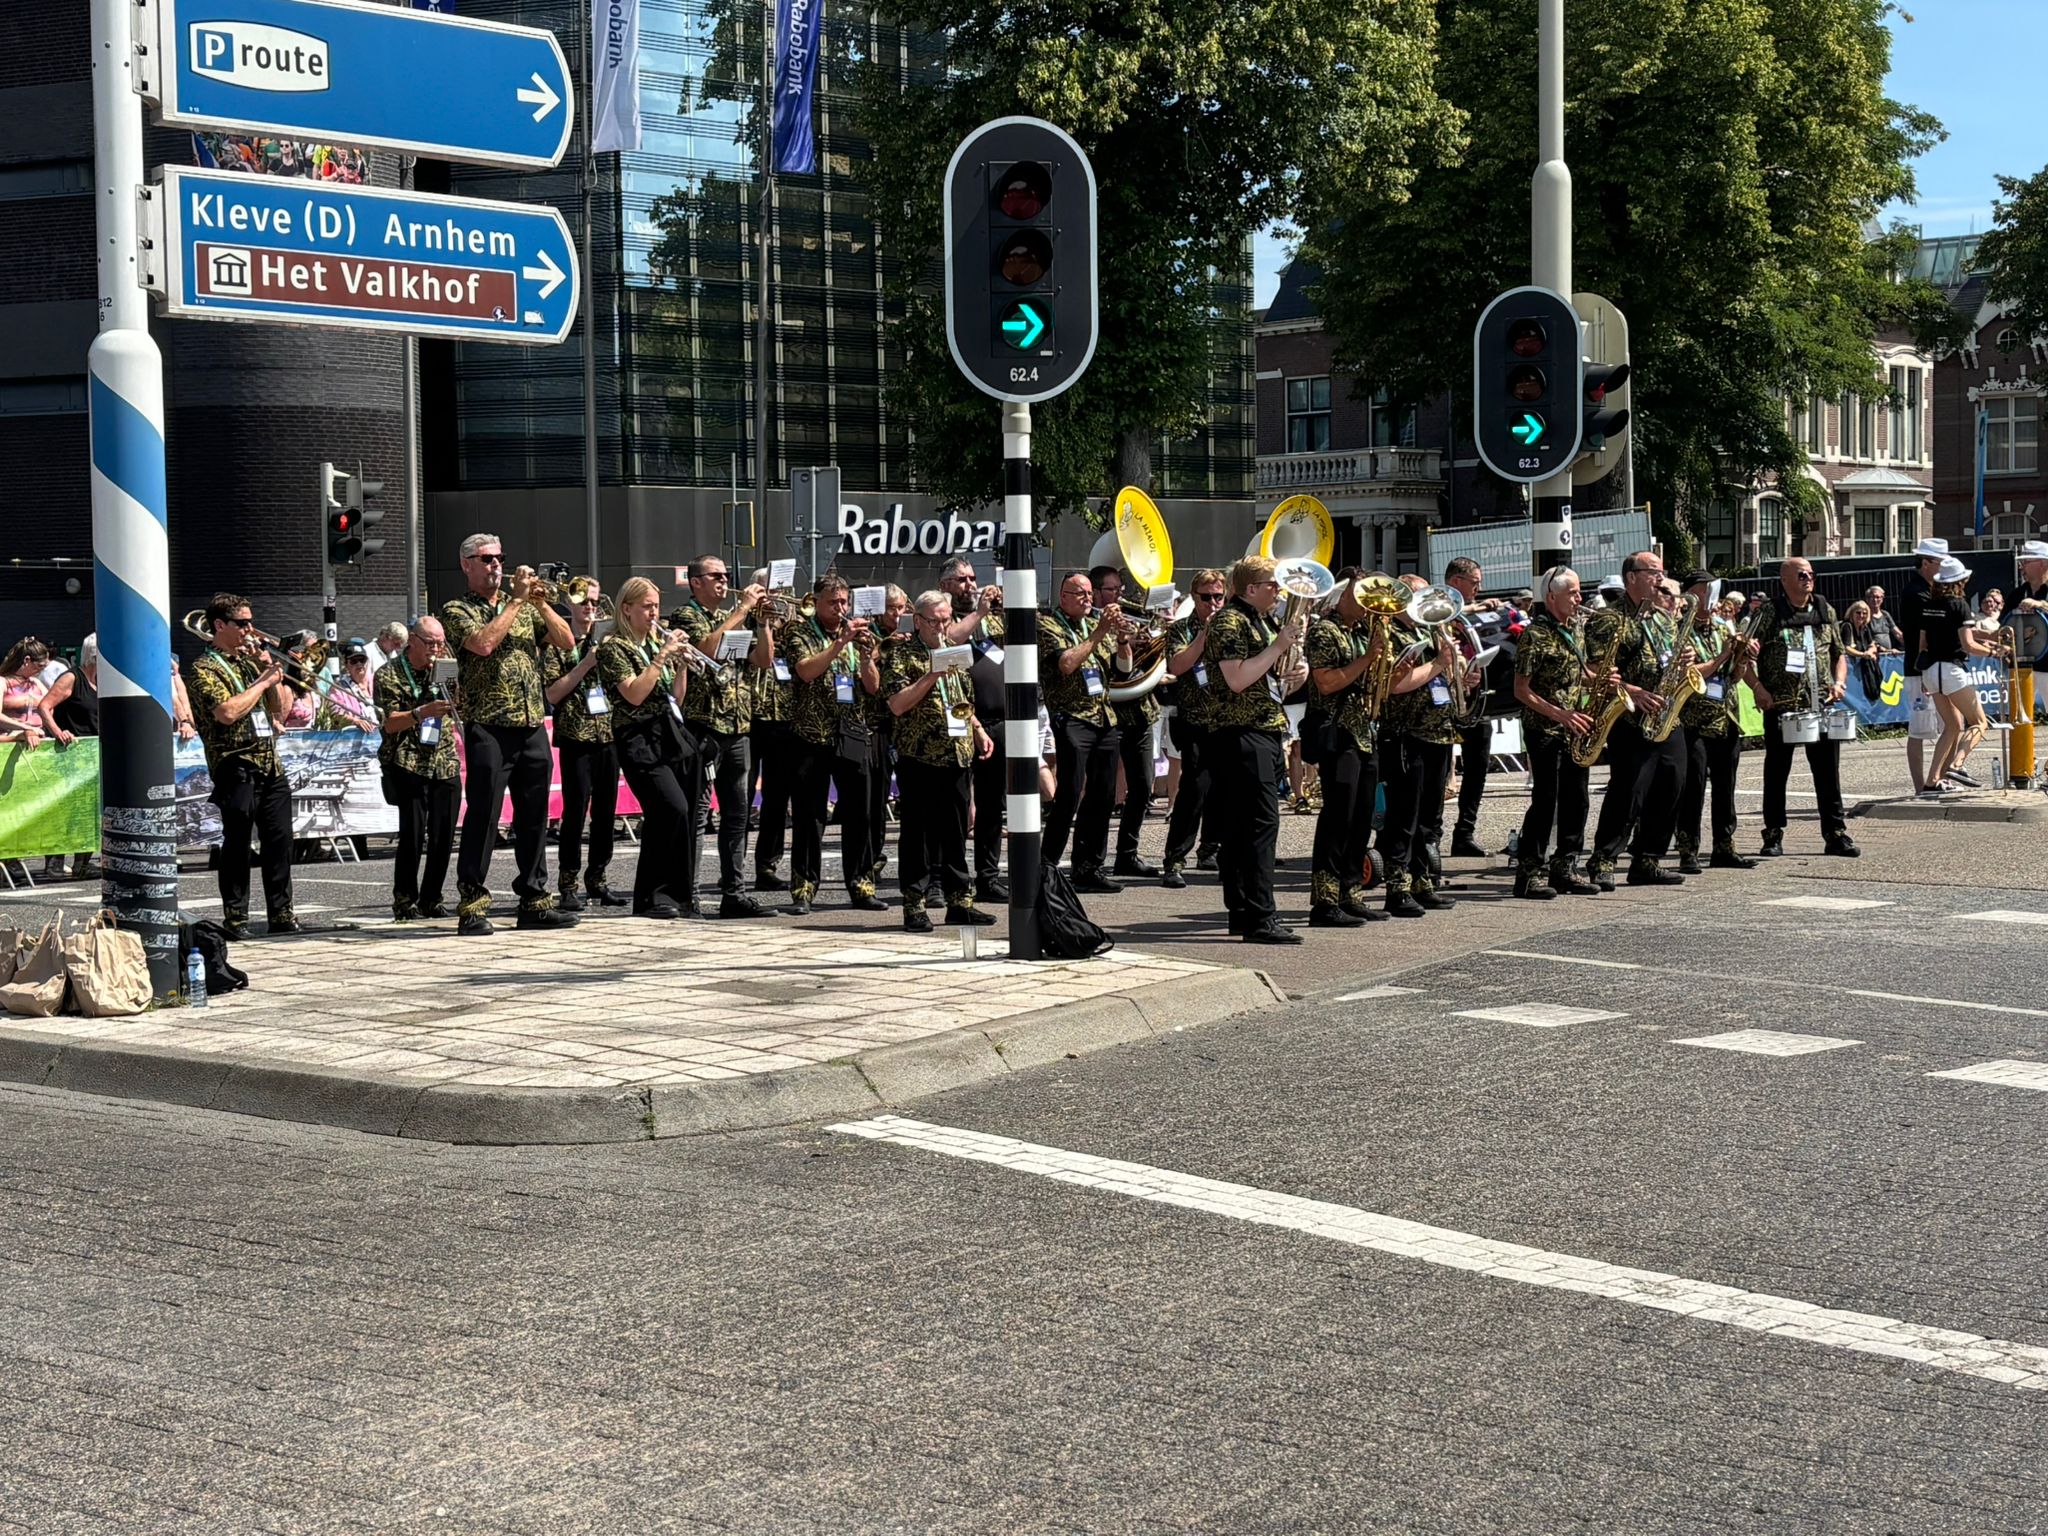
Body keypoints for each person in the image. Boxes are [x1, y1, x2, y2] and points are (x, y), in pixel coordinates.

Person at [441, 534, 580, 936]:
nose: (496, 565)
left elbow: (566, 641)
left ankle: (534, 900)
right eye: (486, 559)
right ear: (466, 564)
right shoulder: (457, 609)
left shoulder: (523, 606)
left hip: (531, 722)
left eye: (500, 558)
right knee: (484, 816)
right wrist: (517, 602)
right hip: (489, 725)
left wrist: (539, 602)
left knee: (535, 816)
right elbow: (483, 644)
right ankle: (472, 904)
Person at [1202, 556, 1306, 943]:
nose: (1278, 591)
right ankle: (1260, 915)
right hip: (1241, 732)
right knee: (1260, 825)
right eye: (1271, 585)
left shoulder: (1261, 620)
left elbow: (1269, 678)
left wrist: (1295, 671)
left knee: (1244, 826)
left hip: (1262, 727)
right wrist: (1278, 646)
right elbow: (1236, 679)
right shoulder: (1230, 621)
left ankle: (1244, 912)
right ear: (1250, 589)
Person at [884, 591, 998, 931]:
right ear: (918, 620)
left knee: (956, 831)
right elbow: (897, 704)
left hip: (956, 753)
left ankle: (960, 902)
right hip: (919, 755)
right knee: (917, 834)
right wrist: (932, 674)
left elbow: (961, 697)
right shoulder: (902, 654)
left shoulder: (955, 649)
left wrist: (977, 729)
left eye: (946, 620)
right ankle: (914, 904)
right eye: (934, 621)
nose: (941, 627)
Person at [187, 592, 299, 937]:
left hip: (269, 762)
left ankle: (281, 914)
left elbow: (278, 709)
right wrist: (262, 681)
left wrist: (268, 672)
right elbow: (226, 712)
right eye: (242, 623)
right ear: (220, 625)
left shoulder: (249, 662)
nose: (250, 630)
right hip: (235, 764)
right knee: (237, 844)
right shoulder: (203, 668)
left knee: (280, 840)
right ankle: (236, 917)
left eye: (251, 622)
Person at [671, 555, 775, 918]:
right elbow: (705, 649)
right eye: (716, 576)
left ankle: (735, 893)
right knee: (698, 814)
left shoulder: (735, 617)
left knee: (737, 815)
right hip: (703, 726)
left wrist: (762, 622)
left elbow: (763, 660)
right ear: (696, 581)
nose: (724, 581)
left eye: (726, 575)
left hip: (738, 726)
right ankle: (689, 894)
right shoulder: (686, 616)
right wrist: (742, 609)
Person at [1584, 551, 1693, 890]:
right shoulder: (1609, 619)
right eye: (1653, 572)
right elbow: (1594, 671)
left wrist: (1685, 660)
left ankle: (1648, 859)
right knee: (1628, 791)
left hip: (1665, 715)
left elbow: (1670, 661)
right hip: (1629, 717)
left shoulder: (1662, 618)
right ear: (1632, 577)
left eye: (1662, 572)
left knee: (1672, 785)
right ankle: (1603, 858)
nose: (1660, 578)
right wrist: (1634, 692)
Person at [597, 577, 701, 918]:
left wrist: (681, 664)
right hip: (637, 737)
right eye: (647, 606)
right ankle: (656, 894)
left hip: (668, 733)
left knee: (678, 812)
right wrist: (661, 657)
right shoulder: (614, 647)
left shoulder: (654, 644)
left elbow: (675, 699)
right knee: (671, 808)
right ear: (626, 609)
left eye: (656, 605)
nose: (654, 612)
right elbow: (634, 694)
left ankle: (672, 897)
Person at [782, 575, 886, 915]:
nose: (840, 609)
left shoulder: (859, 635)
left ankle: (861, 884)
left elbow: (873, 687)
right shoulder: (799, 632)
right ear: (816, 602)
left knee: (860, 812)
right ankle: (804, 888)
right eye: (833, 602)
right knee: (810, 815)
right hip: (811, 735)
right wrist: (840, 643)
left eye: (843, 602)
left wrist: (867, 656)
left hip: (851, 732)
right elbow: (805, 671)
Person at [1376, 575, 1474, 917]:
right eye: (1418, 596)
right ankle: (1397, 887)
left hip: (1438, 733)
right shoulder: (1392, 634)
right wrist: (1439, 664)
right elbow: (1397, 685)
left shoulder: (1430, 632)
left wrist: (1462, 675)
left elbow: (1442, 679)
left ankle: (1422, 882)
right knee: (1404, 816)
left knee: (1428, 818)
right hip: (1408, 733)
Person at [1750, 556, 1858, 857]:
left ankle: (1835, 833)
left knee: (1827, 772)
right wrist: (1758, 689)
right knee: (1777, 771)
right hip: (1782, 705)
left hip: (1820, 704)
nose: (1807, 579)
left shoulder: (1825, 609)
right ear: (1784, 580)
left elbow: (1838, 653)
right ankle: (1773, 833)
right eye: (1801, 575)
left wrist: (1839, 682)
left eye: (1810, 574)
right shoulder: (1769, 612)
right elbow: (1744, 656)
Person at [1512, 566, 1606, 897]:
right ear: (1552, 597)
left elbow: (1574, 674)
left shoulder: (1575, 628)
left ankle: (1565, 866)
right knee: (1546, 800)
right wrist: (1560, 714)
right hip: (1544, 728)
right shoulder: (1535, 635)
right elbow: (1521, 689)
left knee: (1577, 799)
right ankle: (1528, 872)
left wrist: (1600, 680)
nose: (1580, 599)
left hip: (1574, 728)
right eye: (1573, 593)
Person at [1039, 570, 1133, 892]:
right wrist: (1100, 631)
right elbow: (1066, 664)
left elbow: (1123, 671)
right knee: (1069, 793)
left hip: (1103, 717)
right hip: (1072, 717)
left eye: (1090, 593)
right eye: (1080, 593)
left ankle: (1089, 866)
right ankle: (1047, 865)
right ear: (1063, 596)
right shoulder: (1048, 625)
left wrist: (1122, 639)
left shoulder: (1095, 625)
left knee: (1103, 795)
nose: (1087, 599)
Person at [1303, 574, 1389, 926]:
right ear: (1342, 596)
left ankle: (1350, 892)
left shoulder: (1362, 630)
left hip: (1363, 731)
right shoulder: (1325, 631)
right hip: (1338, 731)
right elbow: (1325, 682)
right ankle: (1324, 900)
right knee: (1338, 816)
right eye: (1362, 594)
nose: (1369, 603)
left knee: (1362, 815)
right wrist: (1369, 657)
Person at [541, 576, 626, 912]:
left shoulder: (608, 640)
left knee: (606, 813)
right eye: (583, 601)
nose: (590, 607)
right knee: (575, 813)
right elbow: (552, 693)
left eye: (594, 601)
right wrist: (585, 663)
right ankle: (568, 883)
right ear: (570, 604)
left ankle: (598, 878)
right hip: (577, 737)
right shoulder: (558, 643)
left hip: (608, 734)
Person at [373, 618, 458, 920]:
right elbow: (389, 722)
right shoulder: (389, 674)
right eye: (430, 643)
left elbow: (461, 704)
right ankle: (405, 899)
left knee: (443, 835)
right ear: (413, 640)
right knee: (412, 835)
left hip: (444, 759)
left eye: (440, 643)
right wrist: (420, 712)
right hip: (408, 760)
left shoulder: (447, 668)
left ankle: (432, 898)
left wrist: (452, 686)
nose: (436, 649)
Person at [1672, 572, 1757, 874]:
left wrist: (1742, 658)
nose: (1708, 600)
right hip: (1693, 719)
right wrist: (1722, 657)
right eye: (1701, 593)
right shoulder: (1679, 630)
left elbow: (1732, 676)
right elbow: (1690, 673)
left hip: (1724, 717)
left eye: (1710, 592)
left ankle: (1724, 844)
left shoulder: (1721, 628)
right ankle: (1688, 848)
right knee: (1693, 786)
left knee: (1725, 785)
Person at [940, 555, 1009, 902]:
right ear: (946, 585)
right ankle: (947, 879)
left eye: (972, 578)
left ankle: (988, 876)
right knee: (954, 805)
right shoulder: (941, 615)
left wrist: (1006, 607)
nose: (970, 584)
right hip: (960, 719)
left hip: (997, 722)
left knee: (992, 805)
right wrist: (979, 613)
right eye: (962, 580)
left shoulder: (990, 619)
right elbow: (949, 640)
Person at [1090, 564, 1163, 877]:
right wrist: (1125, 644)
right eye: (1112, 590)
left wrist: (1147, 643)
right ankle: (1092, 859)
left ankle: (1127, 854)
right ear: (1096, 592)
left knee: (1143, 787)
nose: (1119, 595)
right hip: (1108, 714)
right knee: (1104, 791)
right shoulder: (1089, 622)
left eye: (1120, 588)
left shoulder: (1132, 618)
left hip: (1140, 710)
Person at [1159, 571, 1227, 888]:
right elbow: (1177, 665)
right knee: (1194, 788)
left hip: (1225, 718)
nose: (1213, 603)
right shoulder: (1180, 629)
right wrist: (1204, 635)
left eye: (1218, 597)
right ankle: (1174, 859)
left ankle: (1211, 848)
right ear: (1194, 597)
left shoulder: (1231, 626)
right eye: (1206, 597)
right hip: (1194, 719)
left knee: (1222, 788)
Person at [1918, 556, 2001, 794]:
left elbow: (1923, 643)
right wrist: (1993, 652)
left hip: (1930, 670)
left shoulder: (1929, 605)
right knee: (1979, 722)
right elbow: (1968, 645)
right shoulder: (1959, 605)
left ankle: (1931, 782)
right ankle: (1957, 764)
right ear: (1960, 581)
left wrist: (1924, 677)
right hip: (1951, 669)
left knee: (1953, 726)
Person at [1443, 556, 1502, 857]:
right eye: (1474, 583)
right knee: (1439, 772)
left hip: (1475, 701)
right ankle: (1430, 836)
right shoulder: (1437, 605)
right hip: (1442, 705)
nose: (1478, 589)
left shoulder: (1473, 614)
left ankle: (1464, 833)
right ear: (1456, 581)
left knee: (1477, 769)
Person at [747, 566, 799, 894]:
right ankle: (732, 867)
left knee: (777, 798)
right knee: (741, 797)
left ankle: (767, 865)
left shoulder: (793, 625)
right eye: (771, 590)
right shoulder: (744, 620)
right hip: (750, 717)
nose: (777, 596)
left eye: (781, 590)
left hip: (784, 718)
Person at [1897, 537, 1948, 794]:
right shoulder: (1915, 593)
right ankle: (1921, 785)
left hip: (1932, 667)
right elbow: (1920, 635)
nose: (1944, 568)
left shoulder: (1930, 589)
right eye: (1940, 562)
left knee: (1949, 723)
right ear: (1926, 563)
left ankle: (1938, 778)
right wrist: (1923, 668)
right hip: (1920, 669)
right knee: (1919, 728)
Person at [2004, 540, 2048, 719]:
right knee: (2019, 719)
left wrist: (2041, 604)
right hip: (2022, 666)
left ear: (2043, 563)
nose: (2021, 567)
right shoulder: (2017, 594)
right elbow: (2004, 625)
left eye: (2026, 562)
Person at [315, 643, 379, 731]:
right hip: (356, 735)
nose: (359, 664)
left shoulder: (377, 681)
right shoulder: (338, 688)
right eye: (354, 661)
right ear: (346, 664)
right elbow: (335, 713)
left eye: (362, 660)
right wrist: (355, 721)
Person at [1842, 599, 1883, 702]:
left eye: (1864, 613)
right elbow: (1846, 648)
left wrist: (1871, 651)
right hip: (1849, 669)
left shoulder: (1865, 628)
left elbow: (1872, 644)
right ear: (1852, 613)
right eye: (1858, 613)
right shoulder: (1847, 626)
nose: (1861, 616)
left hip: (1865, 666)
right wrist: (1863, 654)